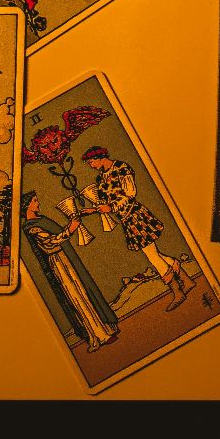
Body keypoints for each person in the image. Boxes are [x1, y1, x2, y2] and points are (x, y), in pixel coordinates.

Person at [81, 146, 192, 310]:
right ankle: (187, 280)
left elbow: (130, 193)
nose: (91, 165)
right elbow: (107, 202)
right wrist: (95, 209)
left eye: (91, 162)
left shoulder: (121, 168)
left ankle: (177, 292)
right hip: (126, 219)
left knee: (152, 256)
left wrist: (111, 208)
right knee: (155, 253)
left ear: (100, 157)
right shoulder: (100, 179)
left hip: (135, 215)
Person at [21, 190, 118, 351]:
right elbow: (51, 242)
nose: (38, 203)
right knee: (77, 298)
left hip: (66, 259)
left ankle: (105, 328)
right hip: (58, 263)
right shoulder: (31, 227)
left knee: (84, 292)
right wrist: (71, 229)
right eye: (35, 201)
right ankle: (98, 335)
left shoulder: (41, 219)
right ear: (27, 206)